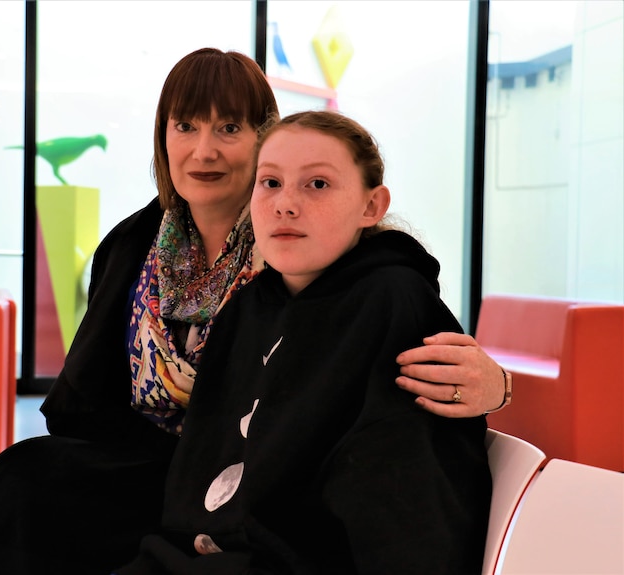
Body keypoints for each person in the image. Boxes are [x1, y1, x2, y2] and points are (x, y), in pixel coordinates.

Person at [0, 48, 505, 575]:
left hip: (259, 473)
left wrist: (499, 384)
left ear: (266, 137)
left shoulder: (301, 244)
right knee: (24, 482)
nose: (204, 150)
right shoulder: (134, 244)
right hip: (149, 462)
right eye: (185, 125)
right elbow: (88, 397)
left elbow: (396, 338)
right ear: (163, 138)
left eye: (230, 127)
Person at [115, 110, 491, 574]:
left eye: (317, 185)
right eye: (270, 183)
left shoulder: (392, 302)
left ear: (371, 207)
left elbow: (407, 502)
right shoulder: (249, 306)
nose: (285, 204)